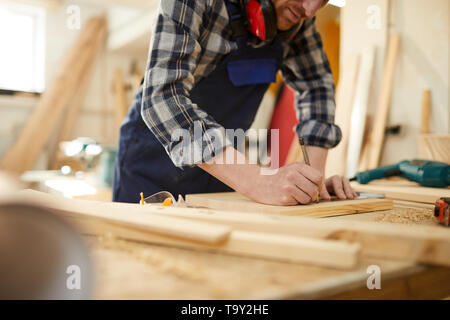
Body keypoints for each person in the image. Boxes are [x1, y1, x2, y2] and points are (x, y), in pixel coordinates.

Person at [113, 0, 357, 205]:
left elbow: (317, 88)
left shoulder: (297, 18)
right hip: (150, 166)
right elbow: (162, 97)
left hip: (223, 169)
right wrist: (258, 181)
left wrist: (311, 185)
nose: (311, 9)